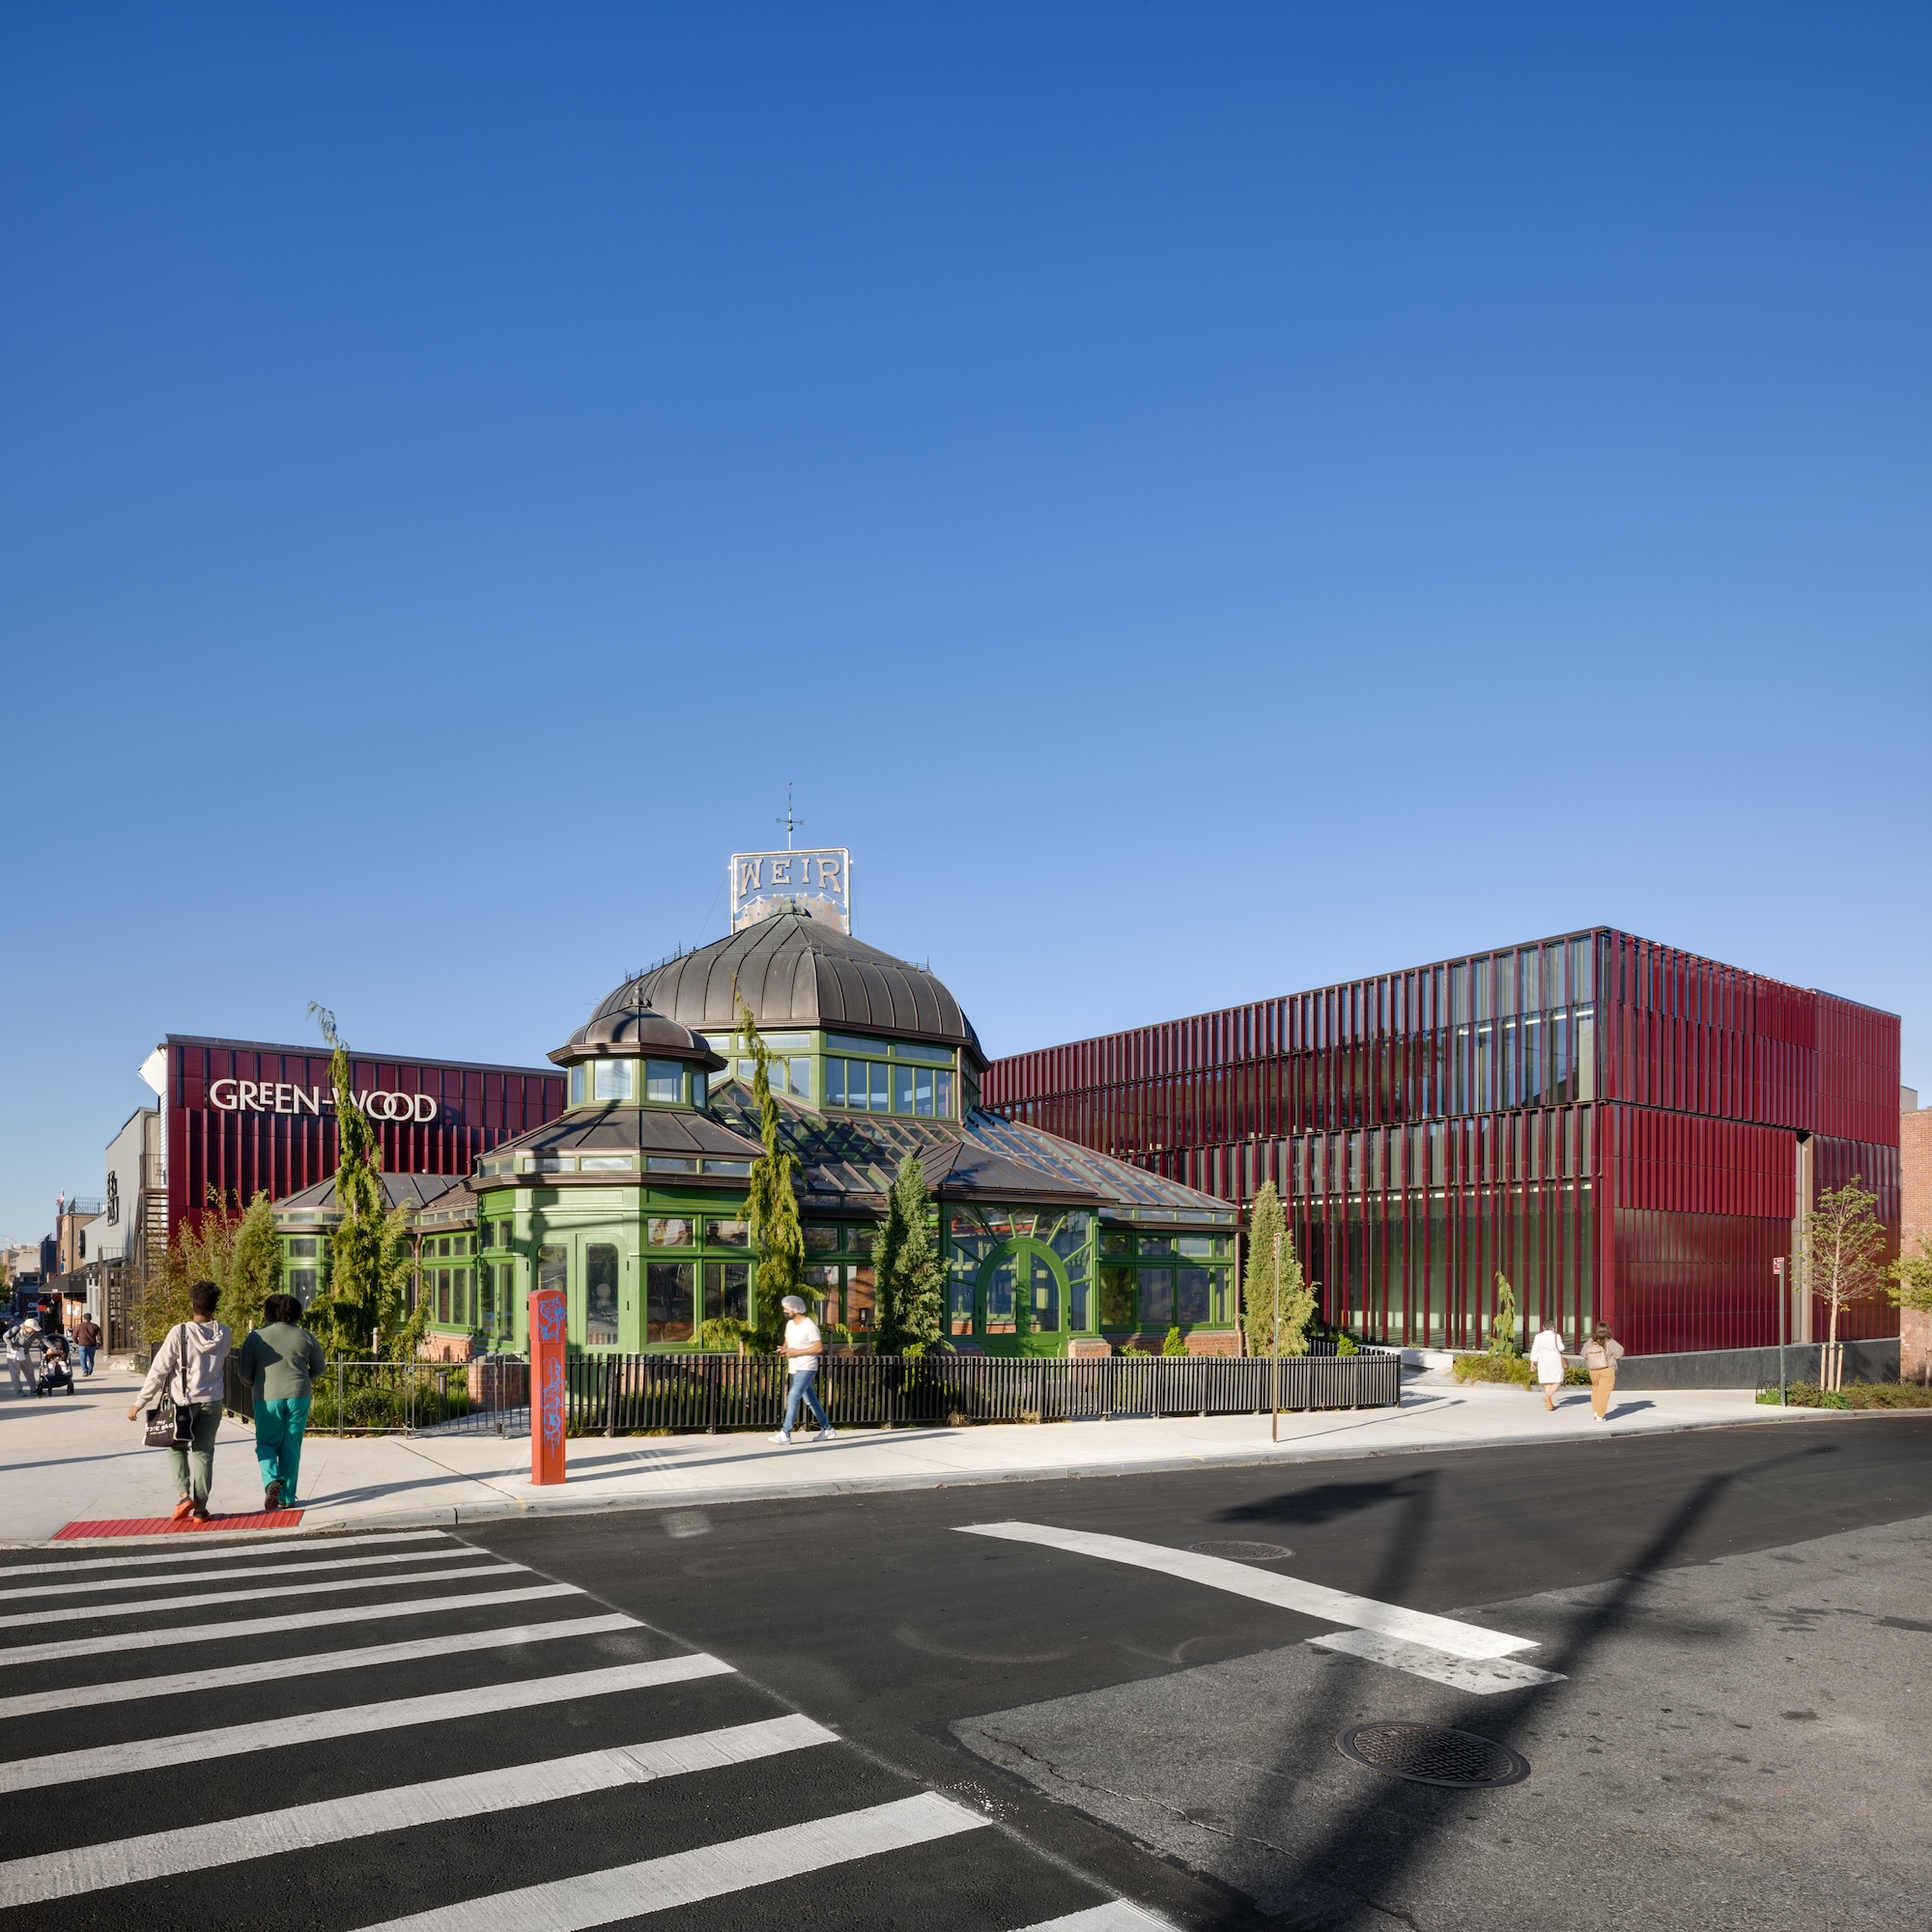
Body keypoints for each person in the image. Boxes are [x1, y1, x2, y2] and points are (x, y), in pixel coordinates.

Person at [128, 1281, 233, 1522]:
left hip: (183, 1402)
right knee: (204, 1453)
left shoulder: (180, 1332)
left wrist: (140, 1401)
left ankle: (184, 1495)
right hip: (213, 1401)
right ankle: (200, 1509)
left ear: (192, 1304)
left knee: (176, 1447)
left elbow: (159, 1369)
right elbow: (222, 1357)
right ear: (214, 1306)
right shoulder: (224, 1332)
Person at [234, 1293, 327, 1511]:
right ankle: (288, 1497)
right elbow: (319, 1369)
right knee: (291, 1445)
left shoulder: (256, 1337)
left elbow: (244, 1374)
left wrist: (254, 1383)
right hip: (300, 1395)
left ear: (268, 1313)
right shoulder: (305, 1336)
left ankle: (271, 1480)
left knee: (266, 1444)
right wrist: (304, 1379)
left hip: (267, 1397)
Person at [767, 1293, 836, 1445]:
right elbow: (787, 1343)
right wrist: (783, 1349)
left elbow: (818, 1347)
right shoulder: (790, 1325)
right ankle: (827, 1428)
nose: (784, 1311)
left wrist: (796, 1352)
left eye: (787, 1308)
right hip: (795, 1366)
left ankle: (785, 1433)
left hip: (807, 1366)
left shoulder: (809, 1325)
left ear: (795, 1309)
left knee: (793, 1395)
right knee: (810, 1399)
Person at [1582, 1322, 1625, 1422]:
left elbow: (1584, 1353)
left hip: (1593, 1370)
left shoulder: (1590, 1342)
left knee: (1596, 1390)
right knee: (1604, 1393)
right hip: (1607, 1369)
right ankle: (1600, 1415)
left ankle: (1596, 1411)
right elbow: (1620, 1353)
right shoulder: (1610, 1342)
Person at [1527, 1320, 1567, 1412]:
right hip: (1554, 1360)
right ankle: (1548, 1397)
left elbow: (1534, 1349)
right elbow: (1561, 1348)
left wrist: (1532, 1363)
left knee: (1547, 1381)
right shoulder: (1556, 1336)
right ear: (1553, 1327)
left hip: (1543, 1360)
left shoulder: (1538, 1336)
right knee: (1558, 1380)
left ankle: (1549, 1402)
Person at [71, 1313, 101, 1377]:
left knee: (82, 1359)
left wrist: (77, 1342)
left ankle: (85, 1371)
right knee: (91, 1358)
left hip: (82, 1344)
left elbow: (74, 1336)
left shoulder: (79, 1326)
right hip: (92, 1344)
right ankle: (90, 1370)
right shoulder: (95, 1326)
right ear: (90, 1318)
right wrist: (100, 1343)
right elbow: (99, 1336)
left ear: (83, 1318)